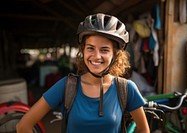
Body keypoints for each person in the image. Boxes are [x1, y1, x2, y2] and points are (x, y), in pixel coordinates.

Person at [16, 13, 150, 133]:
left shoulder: (126, 88)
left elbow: (144, 129)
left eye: (104, 50)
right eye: (90, 48)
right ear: (83, 50)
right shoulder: (66, 86)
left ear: (115, 55)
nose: (96, 56)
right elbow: (23, 126)